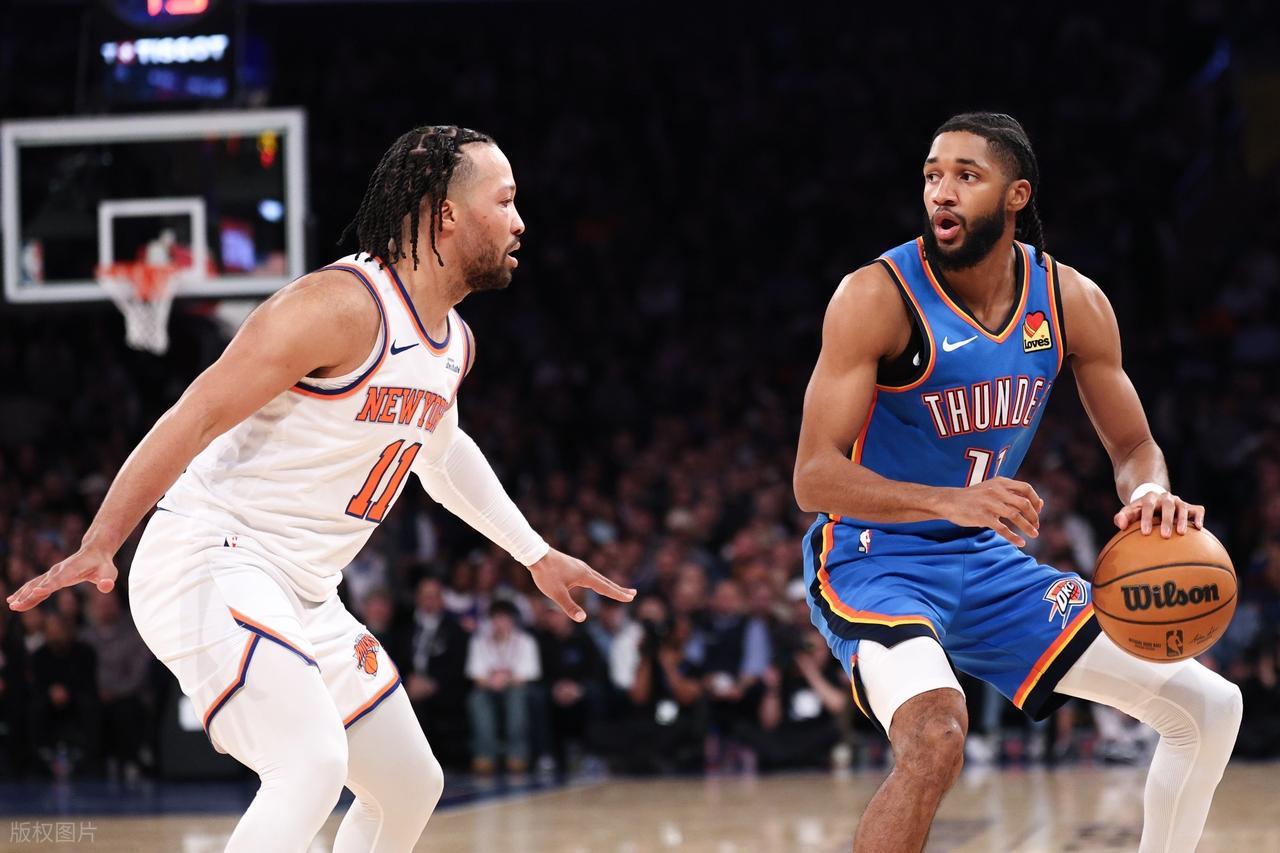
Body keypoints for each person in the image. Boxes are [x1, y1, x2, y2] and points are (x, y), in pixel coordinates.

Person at [8, 125, 635, 853]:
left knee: (409, 785)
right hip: (211, 554)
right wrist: (101, 540)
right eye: (505, 201)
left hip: (306, 590)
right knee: (308, 766)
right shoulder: (338, 305)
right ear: (447, 214)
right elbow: (194, 414)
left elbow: (441, 455)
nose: (520, 221)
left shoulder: (453, 343)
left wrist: (535, 553)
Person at [792, 112, 1242, 853]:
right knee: (937, 735)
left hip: (986, 561)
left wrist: (1147, 493)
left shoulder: (1070, 301)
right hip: (876, 560)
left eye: (966, 176)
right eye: (932, 175)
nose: (941, 192)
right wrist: (948, 500)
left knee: (1210, 707)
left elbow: (1133, 445)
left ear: (1015, 194)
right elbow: (813, 476)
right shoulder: (876, 296)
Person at [465, 599, 540, 774]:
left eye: (504, 618)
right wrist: (492, 682)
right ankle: (484, 755)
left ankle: (517, 754)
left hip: (515, 688)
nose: (500, 623)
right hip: (487, 689)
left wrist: (505, 679)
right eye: (496, 618)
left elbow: (528, 674)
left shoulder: (525, 641)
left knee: (517, 698)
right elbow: (476, 675)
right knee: (477, 699)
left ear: (512, 620)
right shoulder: (479, 642)